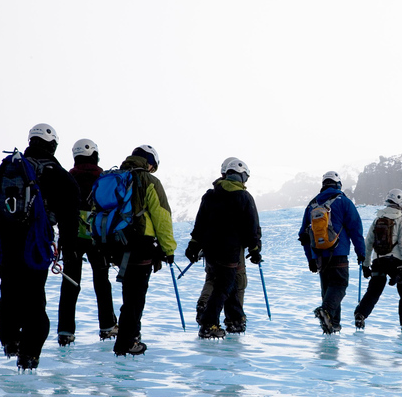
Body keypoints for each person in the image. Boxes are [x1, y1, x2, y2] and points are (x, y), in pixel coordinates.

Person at [0, 124, 80, 369]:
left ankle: (10, 340)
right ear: (52, 144)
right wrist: (69, 248)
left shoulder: (7, 168)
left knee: (8, 290)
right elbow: (69, 217)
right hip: (36, 245)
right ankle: (29, 353)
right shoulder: (60, 175)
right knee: (34, 297)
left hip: (6, 244)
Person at [186, 158, 262, 339]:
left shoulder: (210, 195)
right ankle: (209, 324)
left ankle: (235, 319)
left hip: (210, 251)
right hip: (230, 252)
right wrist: (255, 250)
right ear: (242, 177)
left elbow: (200, 224)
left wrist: (194, 246)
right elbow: (252, 227)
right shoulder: (244, 197)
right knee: (224, 287)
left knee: (227, 283)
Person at [112, 145, 177, 356]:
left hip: (116, 245)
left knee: (128, 295)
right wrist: (168, 249)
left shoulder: (116, 177)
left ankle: (131, 334)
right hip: (141, 245)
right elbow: (162, 216)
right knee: (136, 297)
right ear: (149, 163)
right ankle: (126, 343)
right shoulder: (149, 181)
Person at [56, 139, 117, 346]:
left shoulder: (66, 178)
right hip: (97, 238)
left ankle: (65, 330)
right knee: (102, 282)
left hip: (71, 238)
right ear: (95, 155)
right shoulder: (103, 179)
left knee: (70, 284)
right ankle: (107, 326)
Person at [298, 171, 365, 334]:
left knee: (329, 289)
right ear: (338, 184)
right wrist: (361, 253)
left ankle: (332, 324)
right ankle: (326, 312)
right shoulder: (344, 202)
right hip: (339, 253)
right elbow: (356, 230)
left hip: (319, 255)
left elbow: (304, 235)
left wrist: (311, 259)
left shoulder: (312, 204)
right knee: (339, 285)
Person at [354, 189, 402, 332]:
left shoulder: (377, 219)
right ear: (401, 203)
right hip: (397, 263)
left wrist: (366, 265)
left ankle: (361, 314)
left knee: (374, 290)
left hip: (378, 262)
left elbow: (368, 243)